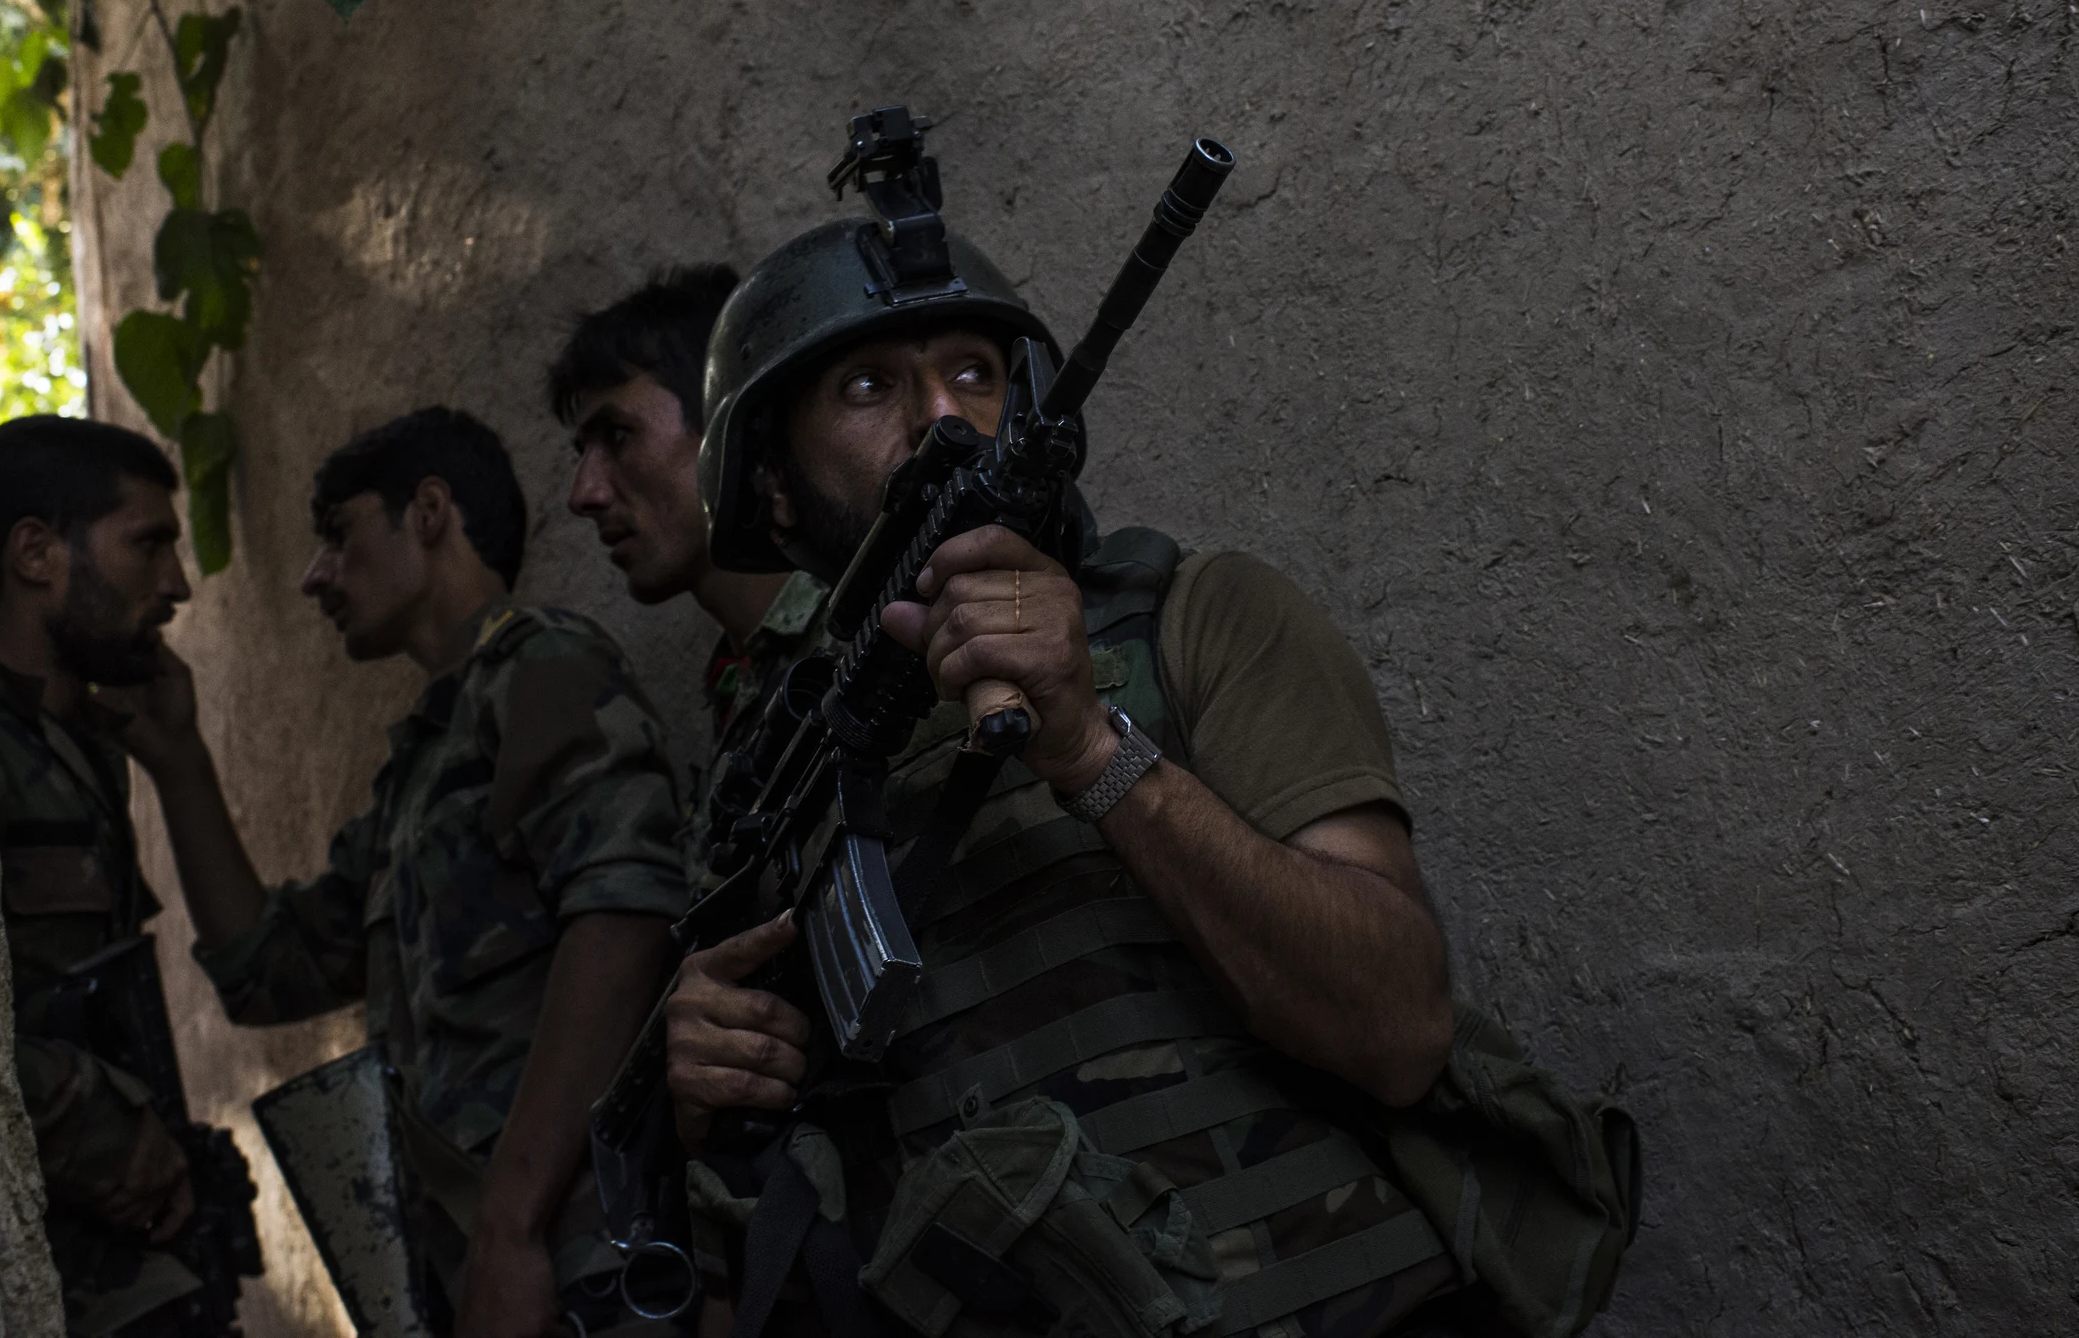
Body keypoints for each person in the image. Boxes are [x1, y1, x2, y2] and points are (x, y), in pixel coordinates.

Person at [657, 216, 1478, 1337]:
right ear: (775, 488)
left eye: (971, 373)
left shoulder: (1198, 614)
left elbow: (1396, 1028)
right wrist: (714, 1080)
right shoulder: (776, 768)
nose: (942, 417)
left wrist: (1093, 747)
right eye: (865, 387)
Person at [105, 407, 691, 1338]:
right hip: (486, 1272)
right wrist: (178, 759)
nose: (314, 577)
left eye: (338, 537)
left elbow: (627, 915)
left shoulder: (541, 661)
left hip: (583, 1258)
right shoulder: (426, 759)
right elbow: (267, 968)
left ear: (427, 512)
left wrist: (512, 1224)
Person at [0, 415, 254, 1337]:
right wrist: (100, 1124)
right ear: (37, 553)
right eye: (148, 543)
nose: (176, 584)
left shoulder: (81, 744)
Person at [546, 263, 805, 743]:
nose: (583, 495)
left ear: (728, 427)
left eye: (618, 436)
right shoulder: (740, 683)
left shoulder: (870, 637)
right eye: (582, 453)